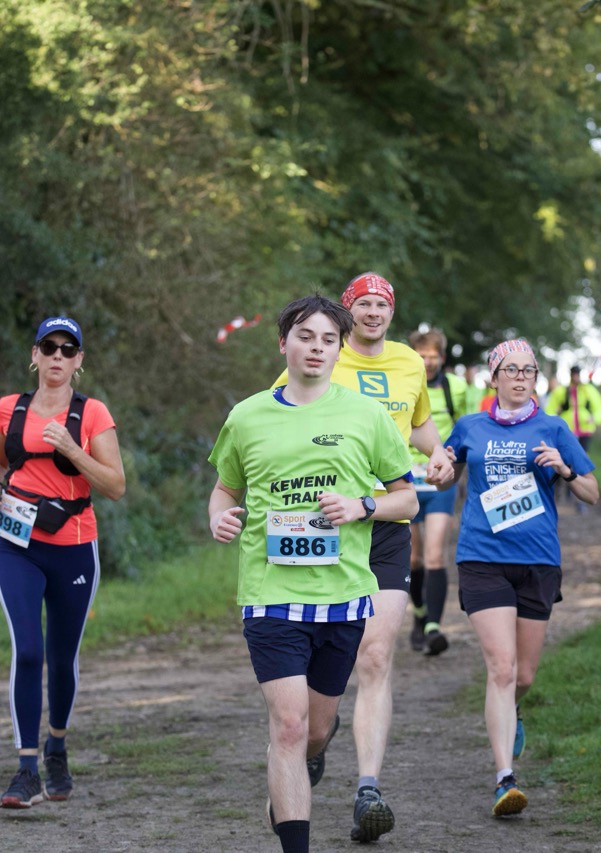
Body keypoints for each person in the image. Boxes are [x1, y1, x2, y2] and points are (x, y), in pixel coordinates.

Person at [209, 295, 418, 853]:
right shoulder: (247, 415)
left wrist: (362, 506)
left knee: (316, 731)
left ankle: (296, 773)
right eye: (305, 337)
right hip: (270, 594)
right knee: (289, 726)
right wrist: (218, 516)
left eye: (328, 340)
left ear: (339, 350)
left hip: (343, 595)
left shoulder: (365, 415)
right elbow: (225, 488)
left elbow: (407, 499)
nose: (317, 348)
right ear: (284, 343)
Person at [274, 272, 453, 843]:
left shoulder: (408, 363)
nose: (374, 312)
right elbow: (280, 415)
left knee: (375, 656)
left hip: (386, 519)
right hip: (325, 524)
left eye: (383, 304)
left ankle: (368, 789)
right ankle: (312, 742)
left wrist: (441, 453)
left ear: (392, 313)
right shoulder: (321, 349)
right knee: (320, 666)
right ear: (348, 311)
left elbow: (419, 425)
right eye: (364, 304)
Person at [442, 339, 599, 818]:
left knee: (523, 676)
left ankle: (511, 709)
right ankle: (504, 778)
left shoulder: (553, 428)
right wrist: (439, 466)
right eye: (511, 370)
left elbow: (592, 492)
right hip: (482, 556)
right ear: (494, 377)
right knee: (503, 668)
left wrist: (565, 469)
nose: (520, 377)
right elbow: (444, 474)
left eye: (529, 370)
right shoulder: (470, 426)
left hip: (537, 560)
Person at [0, 316, 127, 809]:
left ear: (79, 359)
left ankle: (56, 747)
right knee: (28, 650)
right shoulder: (10, 408)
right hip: (16, 544)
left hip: (74, 547)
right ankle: (25, 769)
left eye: (67, 349)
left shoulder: (92, 414)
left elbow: (115, 486)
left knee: (62, 658)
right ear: (34, 355)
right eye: (49, 347)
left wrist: (72, 450)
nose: (57, 356)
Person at [405, 329, 477, 656]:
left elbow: (468, 428)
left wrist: (455, 461)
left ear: (442, 358)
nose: (427, 362)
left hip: (439, 482)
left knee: (435, 554)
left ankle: (434, 627)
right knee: (413, 558)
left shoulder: (456, 388)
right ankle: (419, 614)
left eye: (433, 356)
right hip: (403, 482)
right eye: (421, 356)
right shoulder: (401, 384)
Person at [544, 365, 601, 511]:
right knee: (562, 463)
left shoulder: (588, 390)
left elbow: (600, 408)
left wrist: (594, 418)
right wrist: (556, 423)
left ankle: (579, 499)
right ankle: (559, 493)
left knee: (581, 465)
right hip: (567, 433)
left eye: (577, 374)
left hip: (585, 431)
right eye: (573, 374)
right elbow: (550, 409)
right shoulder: (561, 391)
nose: (575, 377)